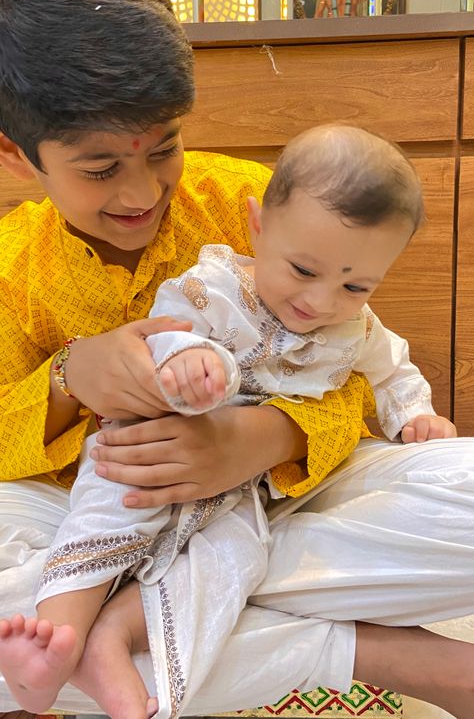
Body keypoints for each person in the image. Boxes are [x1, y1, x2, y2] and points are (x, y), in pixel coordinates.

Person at [1, 0, 474, 719]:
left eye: (163, 149)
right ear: (16, 157)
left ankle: (124, 624)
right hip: (90, 509)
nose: (143, 192)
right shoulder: (12, 264)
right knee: (31, 609)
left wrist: (267, 439)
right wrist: (67, 379)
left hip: (272, 502)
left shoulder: (247, 205)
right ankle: (367, 649)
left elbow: (352, 362)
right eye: (101, 167)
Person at [17, 124, 454, 719]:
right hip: (136, 464)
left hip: (247, 495)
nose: (322, 302)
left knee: (232, 561)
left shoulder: (352, 319)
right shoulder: (214, 288)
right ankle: (55, 641)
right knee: (101, 527)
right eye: (99, 168)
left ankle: (112, 641)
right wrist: (180, 372)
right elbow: (171, 338)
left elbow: (389, 373)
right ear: (257, 227)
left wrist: (414, 417)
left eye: (355, 286)